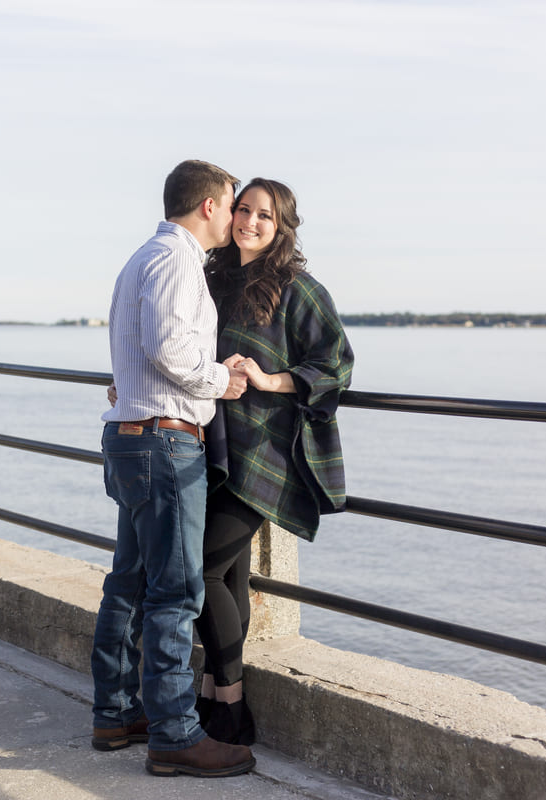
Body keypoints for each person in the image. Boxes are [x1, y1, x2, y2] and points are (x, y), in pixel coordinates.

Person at [90, 159, 257, 778]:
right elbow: (169, 347)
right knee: (177, 590)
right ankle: (175, 734)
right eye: (233, 204)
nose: (236, 217)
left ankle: (117, 713)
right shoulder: (175, 261)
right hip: (164, 441)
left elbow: (140, 348)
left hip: (135, 437)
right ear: (209, 205)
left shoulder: (143, 258)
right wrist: (225, 379)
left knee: (129, 580)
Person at [194, 178, 354, 745]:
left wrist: (268, 378)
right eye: (243, 210)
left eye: (265, 215)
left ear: (281, 225)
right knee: (228, 576)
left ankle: (230, 704)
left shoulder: (299, 289)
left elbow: (335, 364)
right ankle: (213, 697)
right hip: (210, 448)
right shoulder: (213, 282)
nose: (250, 222)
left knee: (200, 569)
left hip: (265, 455)